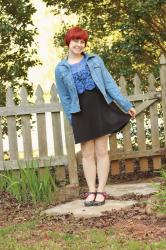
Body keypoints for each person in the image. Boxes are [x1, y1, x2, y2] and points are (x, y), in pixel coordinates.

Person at [55, 26, 136, 207]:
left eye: (82, 41)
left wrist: (126, 105)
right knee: (87, 153)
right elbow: (65, 98)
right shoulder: (60, 69)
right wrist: (72, 118)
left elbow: (109, 84)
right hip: (80, 112)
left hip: (99, 107)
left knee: (101, 150)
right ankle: (91, 191)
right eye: (76, 40)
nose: (79, 44)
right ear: (68, 42)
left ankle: (101, 191)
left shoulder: (94, 60)